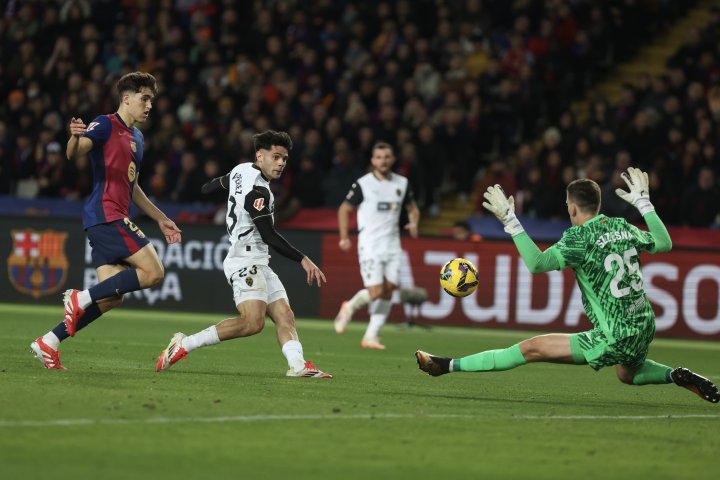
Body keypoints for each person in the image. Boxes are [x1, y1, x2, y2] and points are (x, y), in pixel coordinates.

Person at [416, 167, 719, 403]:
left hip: (614, 333)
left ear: (572, 209)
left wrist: (510, 220)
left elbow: (536, 265)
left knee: (531, 348)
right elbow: (664, 243)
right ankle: (675, 374)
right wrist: (644, 203)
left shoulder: (578, 239)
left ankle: (445, 365)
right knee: (628, 374)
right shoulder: (622, 226)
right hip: (644, 323)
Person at [30, 72, 182, 370]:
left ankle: (50, 340)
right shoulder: (105, 123)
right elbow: (77, 153)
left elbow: (133, 188)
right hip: (106, 215)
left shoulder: (138, 138)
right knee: (154, 272)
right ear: (126, 98)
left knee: (112, 297)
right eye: (144, 98)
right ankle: (80, 297)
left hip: (110, 217)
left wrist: (162, 219)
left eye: (152, 99)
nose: (150, 105)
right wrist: (74, 137)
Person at [156, 130, 332, 378]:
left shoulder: (242, 170)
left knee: (285, 315)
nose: (281, 163)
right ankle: (184, 344)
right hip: (245, 258)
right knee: (252, 323)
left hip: (258, 260)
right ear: (260, 156)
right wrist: (303, 259)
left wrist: (229, 195)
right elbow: (269, 235)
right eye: (276, 156)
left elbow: (208, 187)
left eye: (284, 158)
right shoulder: (258, 192)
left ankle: (298, 366)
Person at [335, 142, 420, 349]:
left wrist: (414, 222)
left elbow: (413, 208)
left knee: (389, 290)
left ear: (392, 159)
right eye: (379, 157)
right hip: (370, 244)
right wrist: (344, 236)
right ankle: (349, 307)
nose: (383, 161)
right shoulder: (363, 184)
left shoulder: (402, 183)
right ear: (373, 161)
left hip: (392, 243)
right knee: (375, 292)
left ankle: (371, 336)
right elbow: (344, 209)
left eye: (387, 157)